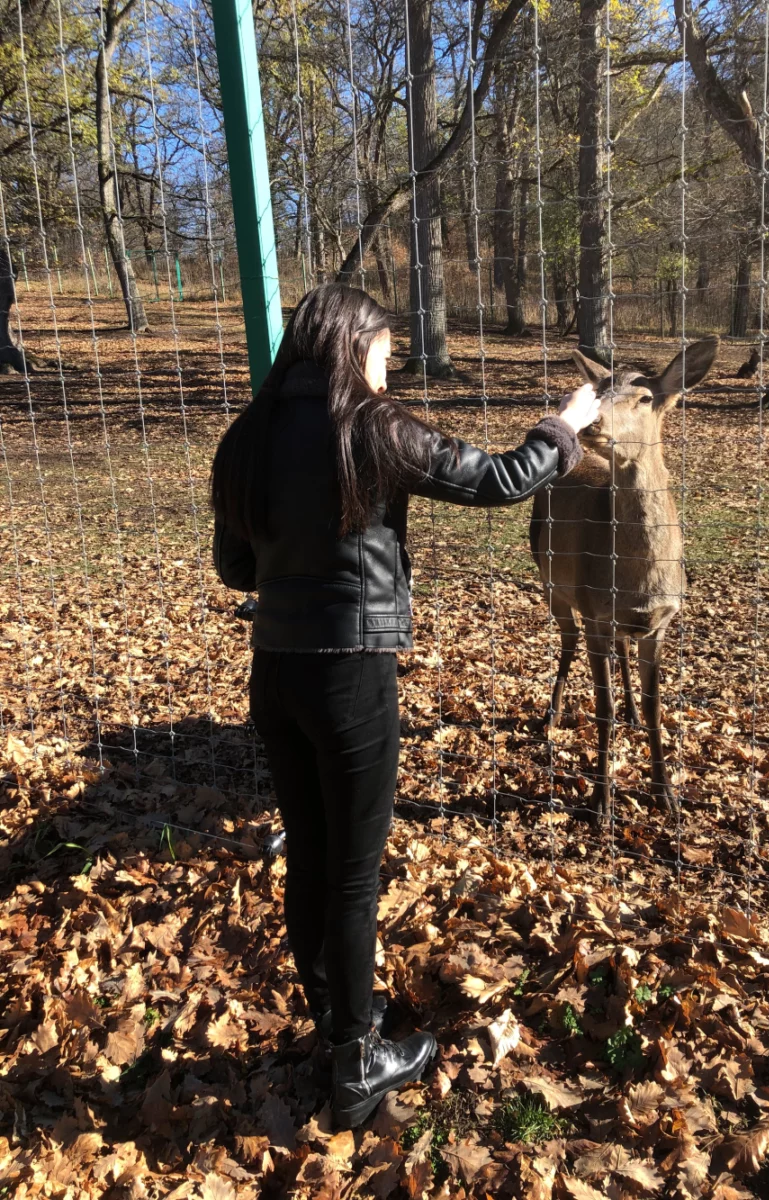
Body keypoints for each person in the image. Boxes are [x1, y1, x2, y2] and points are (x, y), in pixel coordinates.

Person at [210, 283, 599, 1128]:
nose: (391, 367)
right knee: (352, 876)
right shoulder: (374, 428)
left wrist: (298, 561)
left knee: (312, 857)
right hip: (351, 676)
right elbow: (499, 479)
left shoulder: (245, 437)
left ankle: (337, 1021)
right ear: (354, 348)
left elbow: (238, 571)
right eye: (386, 350)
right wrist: (564, 425)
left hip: (275, 671)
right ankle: (356, 1064)